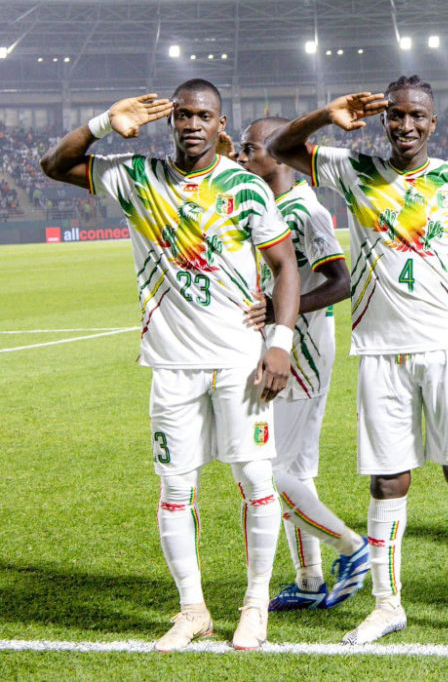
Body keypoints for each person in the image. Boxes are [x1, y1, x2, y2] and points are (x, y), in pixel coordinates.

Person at [266, 75, 448, 644]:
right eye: (396, 115)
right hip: (379, 354)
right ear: (384, 119)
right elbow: (281, 148)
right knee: (388, 482)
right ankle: (387, 605)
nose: (406, 125)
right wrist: (327, 114)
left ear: (433, 122)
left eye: (417, 116)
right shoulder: (355, 170)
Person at [40, 80, 301, 652]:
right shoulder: (138, 177)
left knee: (255, 480)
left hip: (238, 360)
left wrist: (280, 342)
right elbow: (54, 165)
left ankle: (255, 605)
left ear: (220, 123)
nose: (191, 124)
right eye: (182, 115)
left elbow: (285, 266)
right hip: (171, 364)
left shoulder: (244, 188)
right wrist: (104, 122)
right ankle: (193, 611)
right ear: (170, 121)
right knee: (175, 487)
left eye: (203, 116)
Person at [236, 118, 372, 611]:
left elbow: (342, 281)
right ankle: (310, 580)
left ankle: (352, 547)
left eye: (250, 149)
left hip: (302, 349)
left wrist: (280, 313)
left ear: (276, 153)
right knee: (293, 469)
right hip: (285, 344)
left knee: (265, 471)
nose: (242, 158)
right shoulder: (267, 204)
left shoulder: (305, 209)